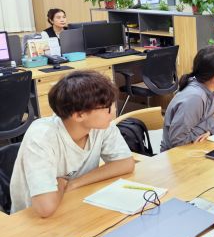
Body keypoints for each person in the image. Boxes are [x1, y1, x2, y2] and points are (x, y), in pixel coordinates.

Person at [10, 71, 134, 217]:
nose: (114, 111)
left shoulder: (101, 126)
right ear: (79, 115)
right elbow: (45, 208)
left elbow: (125, 163)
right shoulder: (41, 137)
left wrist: (72, 183)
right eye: (107, 108)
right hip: (32, 220)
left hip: (77, 202)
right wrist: (64, 185)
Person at [161, 46, 214, 152]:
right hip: (177, 154)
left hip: (199, 147)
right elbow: (178, 141)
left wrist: (211, 130)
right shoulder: (194, 98)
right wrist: (213, 121)